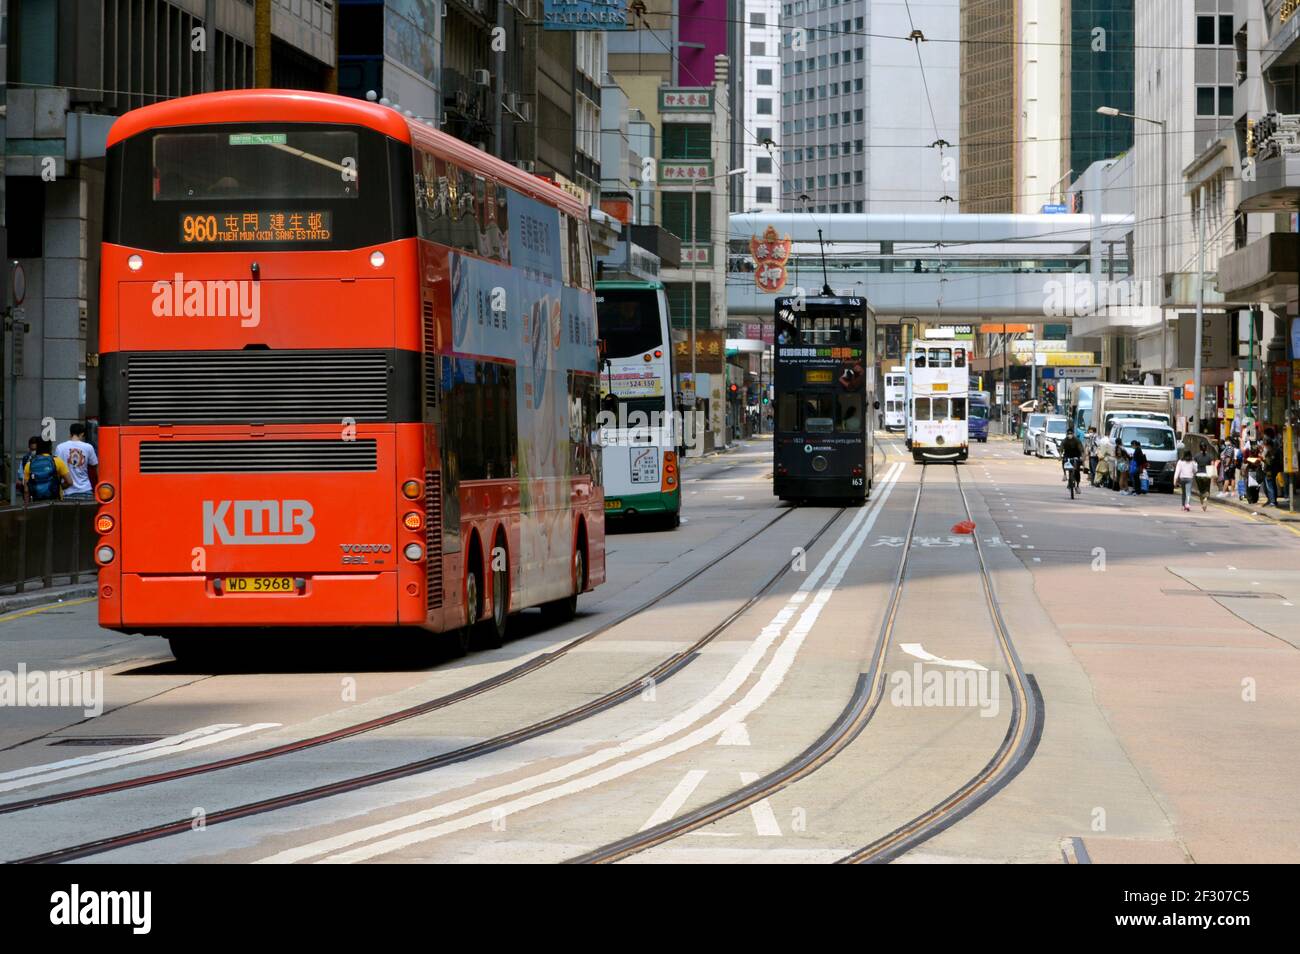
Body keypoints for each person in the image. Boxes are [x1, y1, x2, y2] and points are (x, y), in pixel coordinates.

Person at [55, 422, 98, 499]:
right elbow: (95, 467)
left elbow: (57, 470)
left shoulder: (60, 447)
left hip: (67, 492)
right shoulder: (88, 447)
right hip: (85, 489)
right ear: (82, 434)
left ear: (70, 433)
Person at [1193, 442, 1216, 512]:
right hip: (1206, 475)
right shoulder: (1210, 456)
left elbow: (1194, 465)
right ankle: (1205, 499)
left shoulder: (1196, 456)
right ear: (1206, 447)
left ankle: (1202, 502)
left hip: (1198, 475)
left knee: (1200, 490)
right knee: (1206, 489)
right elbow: (1212, 466)